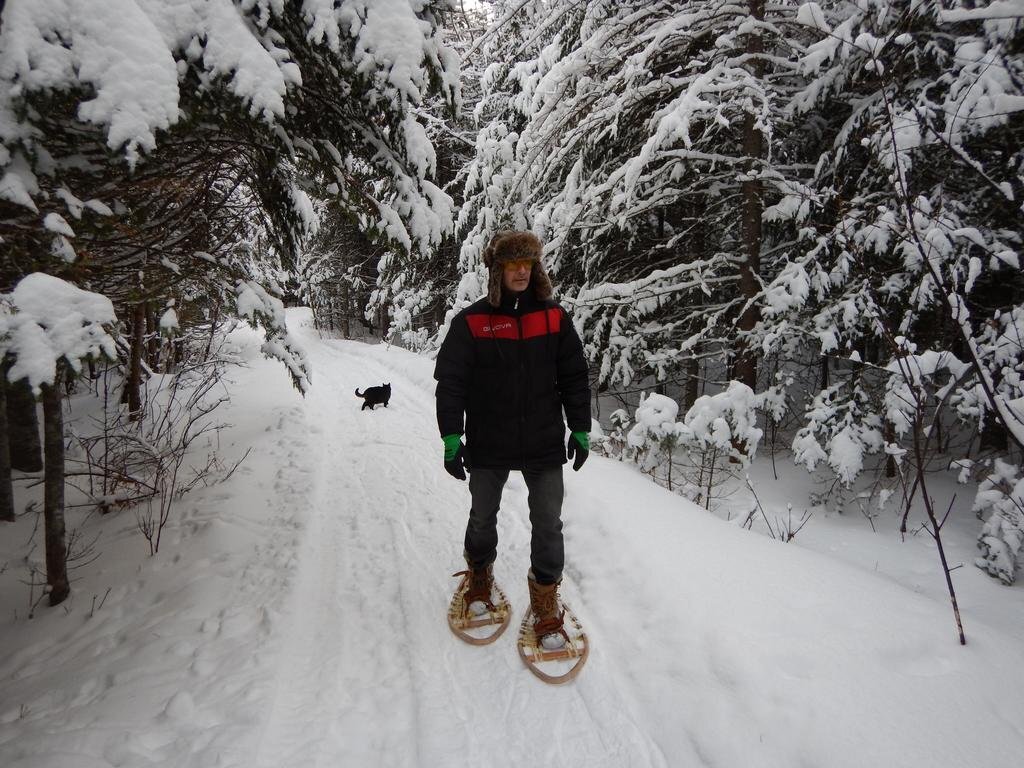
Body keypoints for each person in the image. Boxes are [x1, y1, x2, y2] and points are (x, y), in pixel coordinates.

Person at [434, 230, 591, 645]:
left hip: (542, 440)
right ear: (497, 271)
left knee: (548, 522)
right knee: (482, 515)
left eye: (527, 263)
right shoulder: (472, 321)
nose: (521, 271)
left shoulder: (554, 318)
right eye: (512, 264)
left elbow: (574, 377)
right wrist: (451, 436)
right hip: (489, 439)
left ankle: (545, 599)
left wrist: (580, 427)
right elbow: (451, 383)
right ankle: (479, 576)